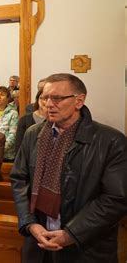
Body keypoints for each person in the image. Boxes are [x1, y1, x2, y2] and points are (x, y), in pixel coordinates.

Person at [10, 73, 127, 262]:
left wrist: (71, 233)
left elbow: (116, 198)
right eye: (44, 97)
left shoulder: (111, 141)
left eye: (56, 98)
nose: (48, 104)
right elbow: (19, 179)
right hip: (38, 241)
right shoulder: (33, 134)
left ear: (79, 101)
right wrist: (30, 223)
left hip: (86, 246)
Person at [14, 89, 47, 153]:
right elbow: (18, 146)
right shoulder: (24, 120)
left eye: (46, 98)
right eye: (41, 98)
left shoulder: (55, 120)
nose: (44, 101)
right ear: (37, 100)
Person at [0, 86, 19, 161]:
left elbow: (13, 135)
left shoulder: (13, 113)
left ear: (8, 98)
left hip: (7, 155)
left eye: (2, 95)